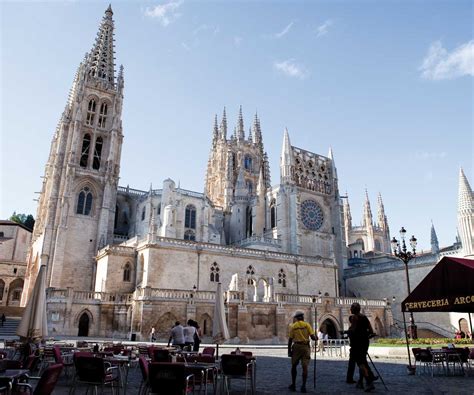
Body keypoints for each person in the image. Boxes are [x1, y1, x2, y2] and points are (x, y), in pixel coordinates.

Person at [346, 302, 376, 392]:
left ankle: (368, 381)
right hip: (365, 342)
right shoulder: (364, 317)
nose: (350, 309)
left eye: (351, 308)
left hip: (356, 343)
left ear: (353, 309)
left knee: (360, 363)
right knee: (363, 361)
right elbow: (371, 330)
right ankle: (361, 381)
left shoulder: (354, 317)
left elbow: (353, 330)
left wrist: (347, 332)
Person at [288, 311, 316, 393]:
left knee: (294, 366)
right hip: (305, 347)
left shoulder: (293, 326)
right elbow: (313, 337)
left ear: (296, 318)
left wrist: (289, 351)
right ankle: (303, 386)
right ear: (303, 318)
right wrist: (316, 337)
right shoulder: (307, 325)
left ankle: (293, 385)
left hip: (296, 347)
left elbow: (290, 340)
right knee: (305, 367)